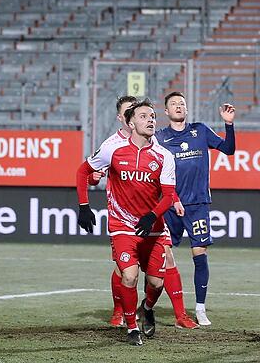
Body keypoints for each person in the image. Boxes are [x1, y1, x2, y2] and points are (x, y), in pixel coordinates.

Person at [90, 96, 198, 331]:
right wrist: (92, 179)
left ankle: (173, 313)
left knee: (164, 262)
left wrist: (174, 199)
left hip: (152, 215)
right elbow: (90, 172)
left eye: (148, 115)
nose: (145, 118)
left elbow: (164, 182)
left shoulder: (153, 143)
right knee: (124, 270)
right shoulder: (111, 145)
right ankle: (120, 311)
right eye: (131, 112)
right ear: (123, 118)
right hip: (122, 217)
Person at [76, 99, 177, 346]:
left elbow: (169, 195)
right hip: (122, 226)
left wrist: (153, 215)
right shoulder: (113, 149)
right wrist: (83, 206)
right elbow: (83, 171)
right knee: (129, 277)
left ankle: (148, 307)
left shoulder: (164, 155)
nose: (150, 120)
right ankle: (131, 327)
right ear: (131, 123)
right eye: (143, 116)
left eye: (152, 116)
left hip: (153, 230)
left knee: (156, 283)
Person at [155, 92, 236, 326]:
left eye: (182, 103)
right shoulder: (160, 138)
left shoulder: (200, 130)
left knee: (200, 255)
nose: (179, 106)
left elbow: (228, 149)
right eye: (173, 104)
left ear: (186, 109)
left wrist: (228, 125)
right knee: (161, 258)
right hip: (170, 205)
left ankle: (200, 308)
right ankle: (149, 304)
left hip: (198, 204)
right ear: (167, 112)